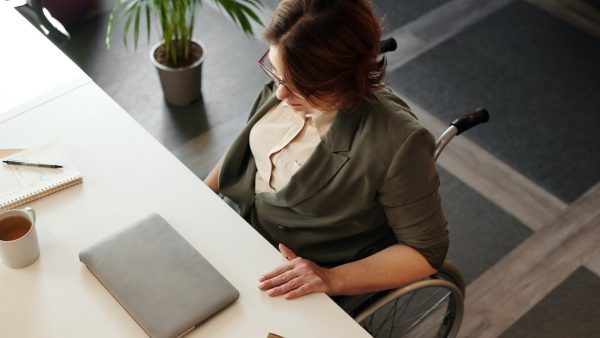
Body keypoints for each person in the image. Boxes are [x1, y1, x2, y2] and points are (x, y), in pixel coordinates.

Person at [204, 0, 448, 305]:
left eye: (300, 85)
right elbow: (247, 149)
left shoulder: (399, 143)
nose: (280, 93)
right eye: (277, 72)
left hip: (293, 272)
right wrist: (201, 194)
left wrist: (331, 278)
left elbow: (426, 252)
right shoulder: (286, 83)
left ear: (344, 77)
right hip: (238, 228)